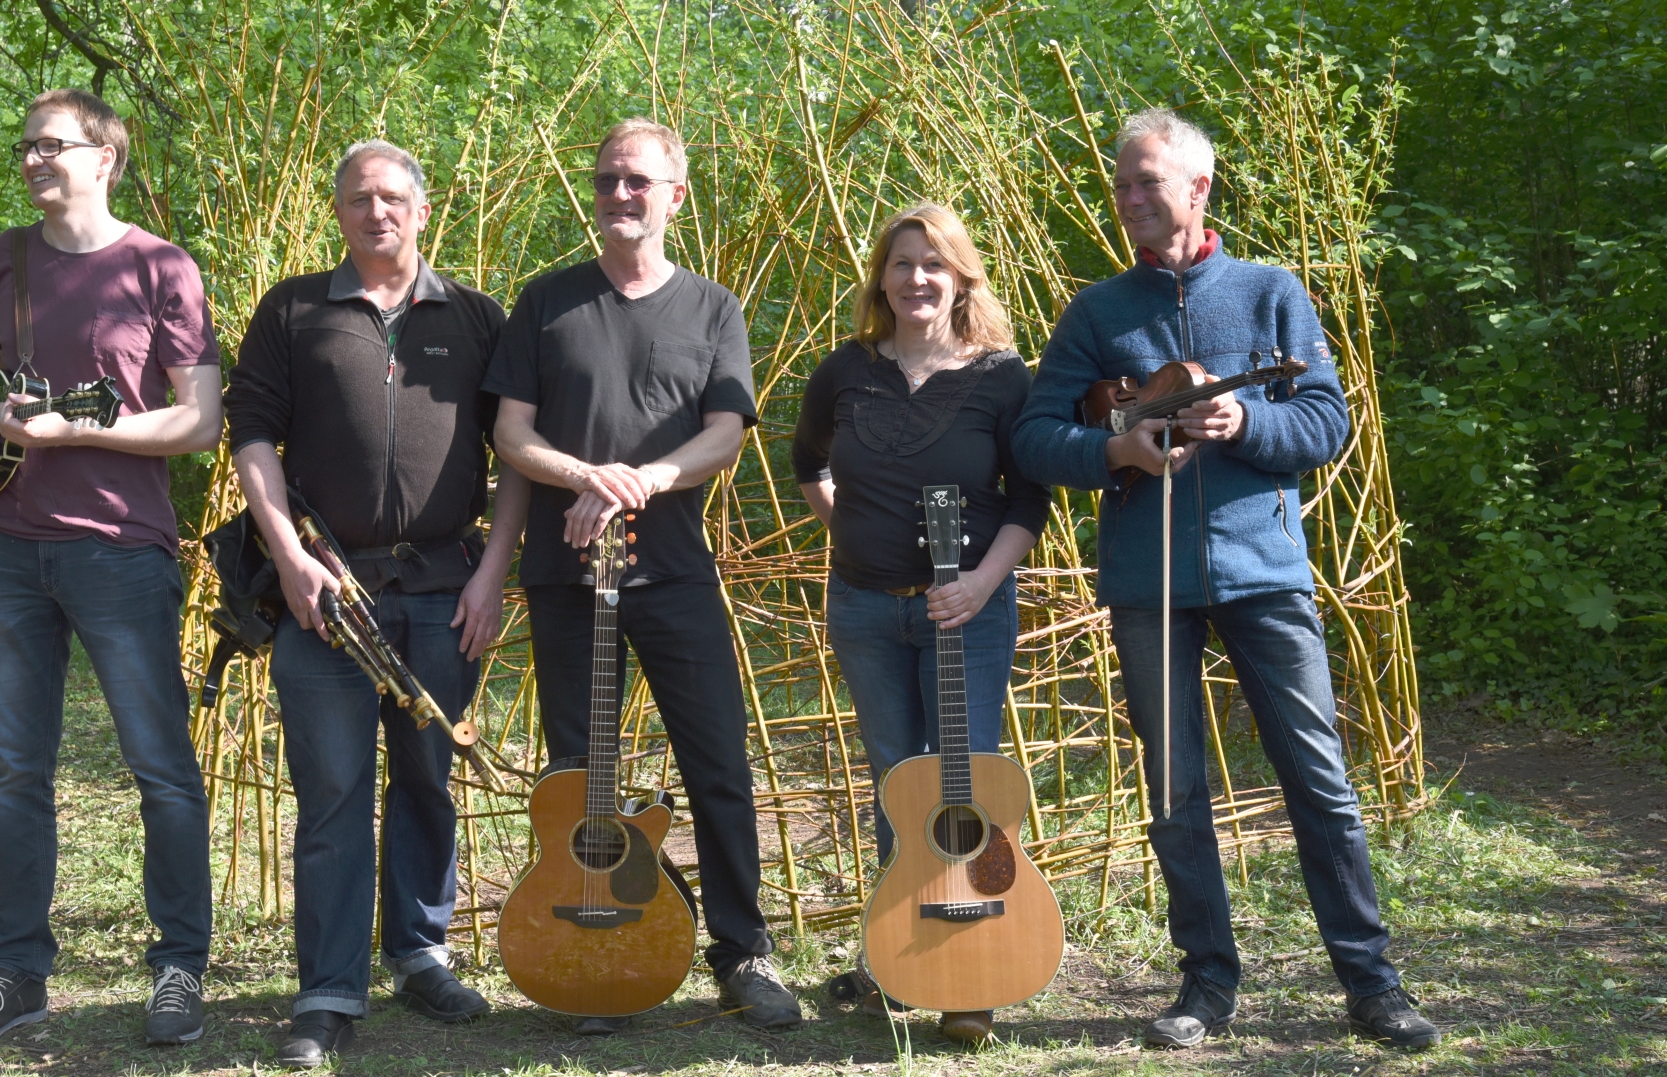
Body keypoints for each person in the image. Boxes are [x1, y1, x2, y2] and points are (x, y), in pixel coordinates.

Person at [1010, 108, 1441, 1051]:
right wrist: (1117, 446)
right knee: (1175, 790)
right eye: (1120, 183)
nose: (1126, 199)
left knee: (1316, 777)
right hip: (1145, 578)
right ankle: (1205, 984)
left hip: (1264, 570)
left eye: (1144, 183)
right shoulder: (1095, 312)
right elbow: (1037, 438)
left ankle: (1370, 981)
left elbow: (1326, 424)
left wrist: (1245, 424)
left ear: (1197, 188)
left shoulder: (1269, 292)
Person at [485, 117, 801, 1034]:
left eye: (637, 180)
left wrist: (643, 483)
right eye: (606, 179)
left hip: (674, 571)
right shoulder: (545, 301)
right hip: (564, 569)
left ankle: (743, 952)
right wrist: (588, 478)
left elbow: (723, 433)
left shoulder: (712, 308)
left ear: (676, 194)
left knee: (718, 766)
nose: (619, 194)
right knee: (580, 772)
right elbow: (512, 435)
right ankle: (595, 952)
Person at [224, 139, 525, 1067]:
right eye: (358, 198)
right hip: (325, 595)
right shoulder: (293, 310)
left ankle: (421, 952)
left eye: (393, 197)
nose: (376, 212)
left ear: (423, 208)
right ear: (338, 210)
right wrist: (290, 558)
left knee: (428, 779)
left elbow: (515, 452)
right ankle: (326, 989)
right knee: (332, 791)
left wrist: (492, 574)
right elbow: (252, 440)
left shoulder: (476, 316)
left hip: (445, 594)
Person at [0, 89, 221, 1049]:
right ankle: (17, 972)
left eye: (50, 145)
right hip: (6, 547)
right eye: (23, 147)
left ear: (106, 156)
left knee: (162, 771)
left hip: (119, 552)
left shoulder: (160, 267)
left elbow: (199, 420)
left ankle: (180, 967)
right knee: (17, 771)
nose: (31, 160)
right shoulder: (6, 257)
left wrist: (82, 425)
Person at [791, 202, 1048, 1043]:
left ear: (961, 276)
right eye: (901, 264)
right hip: (865, 609)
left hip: (965, 613)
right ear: (881, 279)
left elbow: (1028, 498)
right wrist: (853, 534)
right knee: (894, 785)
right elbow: (808, 461)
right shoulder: (847, 369)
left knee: (957, 785)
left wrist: (977, 583)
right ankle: (900, 958)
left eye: (933, 264)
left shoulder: (1002, 376)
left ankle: (968, 964)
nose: (916, 280)